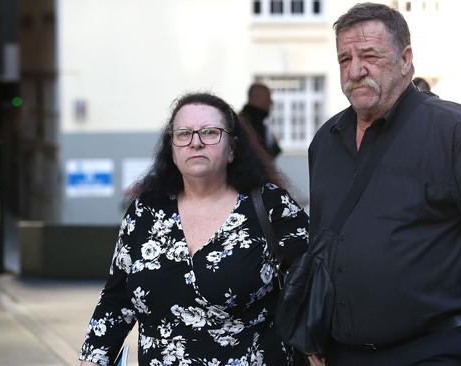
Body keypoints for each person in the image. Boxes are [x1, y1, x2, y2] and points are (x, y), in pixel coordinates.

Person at [307, 3, 461, 366]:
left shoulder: (457, 133)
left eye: (369, 55)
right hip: (344, 353)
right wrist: (313, 328)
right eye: (344, 59)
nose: (356, 69)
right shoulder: (326, 141)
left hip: (436, 350)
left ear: (406, 59)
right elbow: (323, 245)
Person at [78, 92, 308, 366]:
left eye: (210, 132)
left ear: (232, 148)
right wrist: (92, 359)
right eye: (184, 134)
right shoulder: (146, 211)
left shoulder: (271, 207)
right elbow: (117, 300)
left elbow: (311, 288)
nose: (196, 142)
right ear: (172, 150)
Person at [239, 83, 282, 158]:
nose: (271, 102)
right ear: (258, 97)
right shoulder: (249, 124)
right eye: (268, 97)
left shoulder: (244, 121)